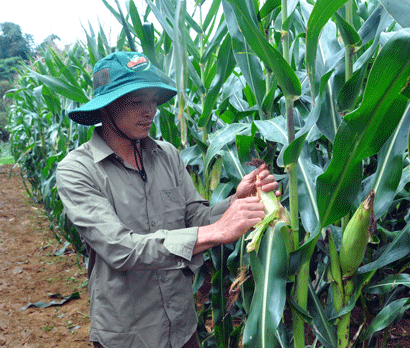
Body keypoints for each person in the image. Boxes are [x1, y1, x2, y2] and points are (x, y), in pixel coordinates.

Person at [55, 51, 279, 348]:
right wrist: (217, 231)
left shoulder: (167, 155)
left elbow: (195, 218)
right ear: (106, 106)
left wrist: (237, 201)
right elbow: (121, 249)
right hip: (129, 336)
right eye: (137, 100)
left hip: (182, 326)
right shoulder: (77, 170)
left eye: (153, 100)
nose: (151, 110)